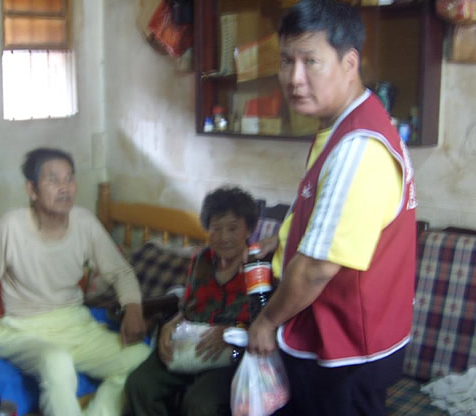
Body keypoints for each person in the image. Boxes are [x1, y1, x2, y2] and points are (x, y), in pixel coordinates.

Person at [248, 1, 418, 415]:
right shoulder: (343, 126)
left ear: (349, 63)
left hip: (347, 349)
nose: (294, 78)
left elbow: (317, 267)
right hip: (332, 338)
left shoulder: (359, 147)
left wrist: (266, 321)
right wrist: (280, 240)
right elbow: (323, 211)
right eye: (286, 61)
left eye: (311, 61)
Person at [0, 147, 150, 416]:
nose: (64, 187)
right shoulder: (10, 227)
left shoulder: (85, 223)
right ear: (31, 189)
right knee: (57, 362)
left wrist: (133, 308)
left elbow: (121, 272)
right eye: (53, 180)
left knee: (140, 359)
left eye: (69, 178)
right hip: (23, 329)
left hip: (75, 324)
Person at [125, 186, 258, 416]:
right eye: (216, 228)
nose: (224, 237)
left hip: (235, 354)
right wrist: (170, 324)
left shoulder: (258, 267)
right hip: (192, 345)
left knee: (200, 403)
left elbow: (264, 322)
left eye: (233, 228)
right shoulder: (202, 259)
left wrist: (230, 332)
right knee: (140, 384)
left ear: (248, 230)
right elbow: (187, 306)